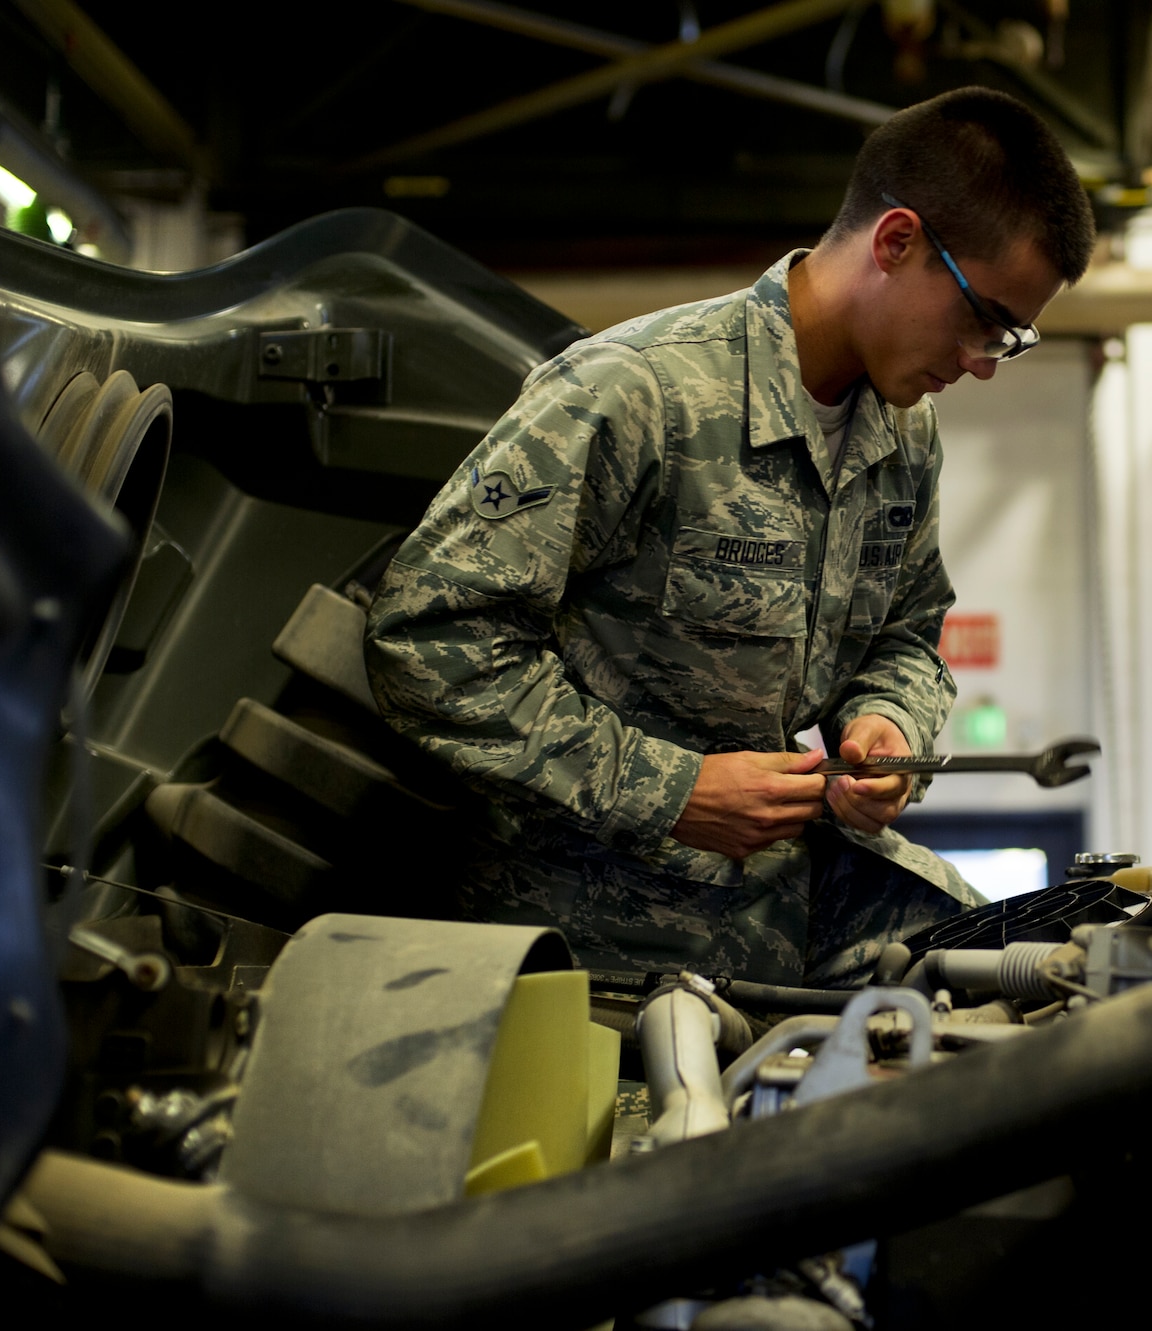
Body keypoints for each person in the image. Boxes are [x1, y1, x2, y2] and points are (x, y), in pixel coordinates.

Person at [364, 87, 1096, 986]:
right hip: (579, 956)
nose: (984, 360)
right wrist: (673, 792)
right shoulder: (636, 394)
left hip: (769, 940)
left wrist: (885, 723)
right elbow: (429, 643)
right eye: (983, 317)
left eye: (1009, 338)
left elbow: (908, 631)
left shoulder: (904, 433)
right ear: (896, 241)